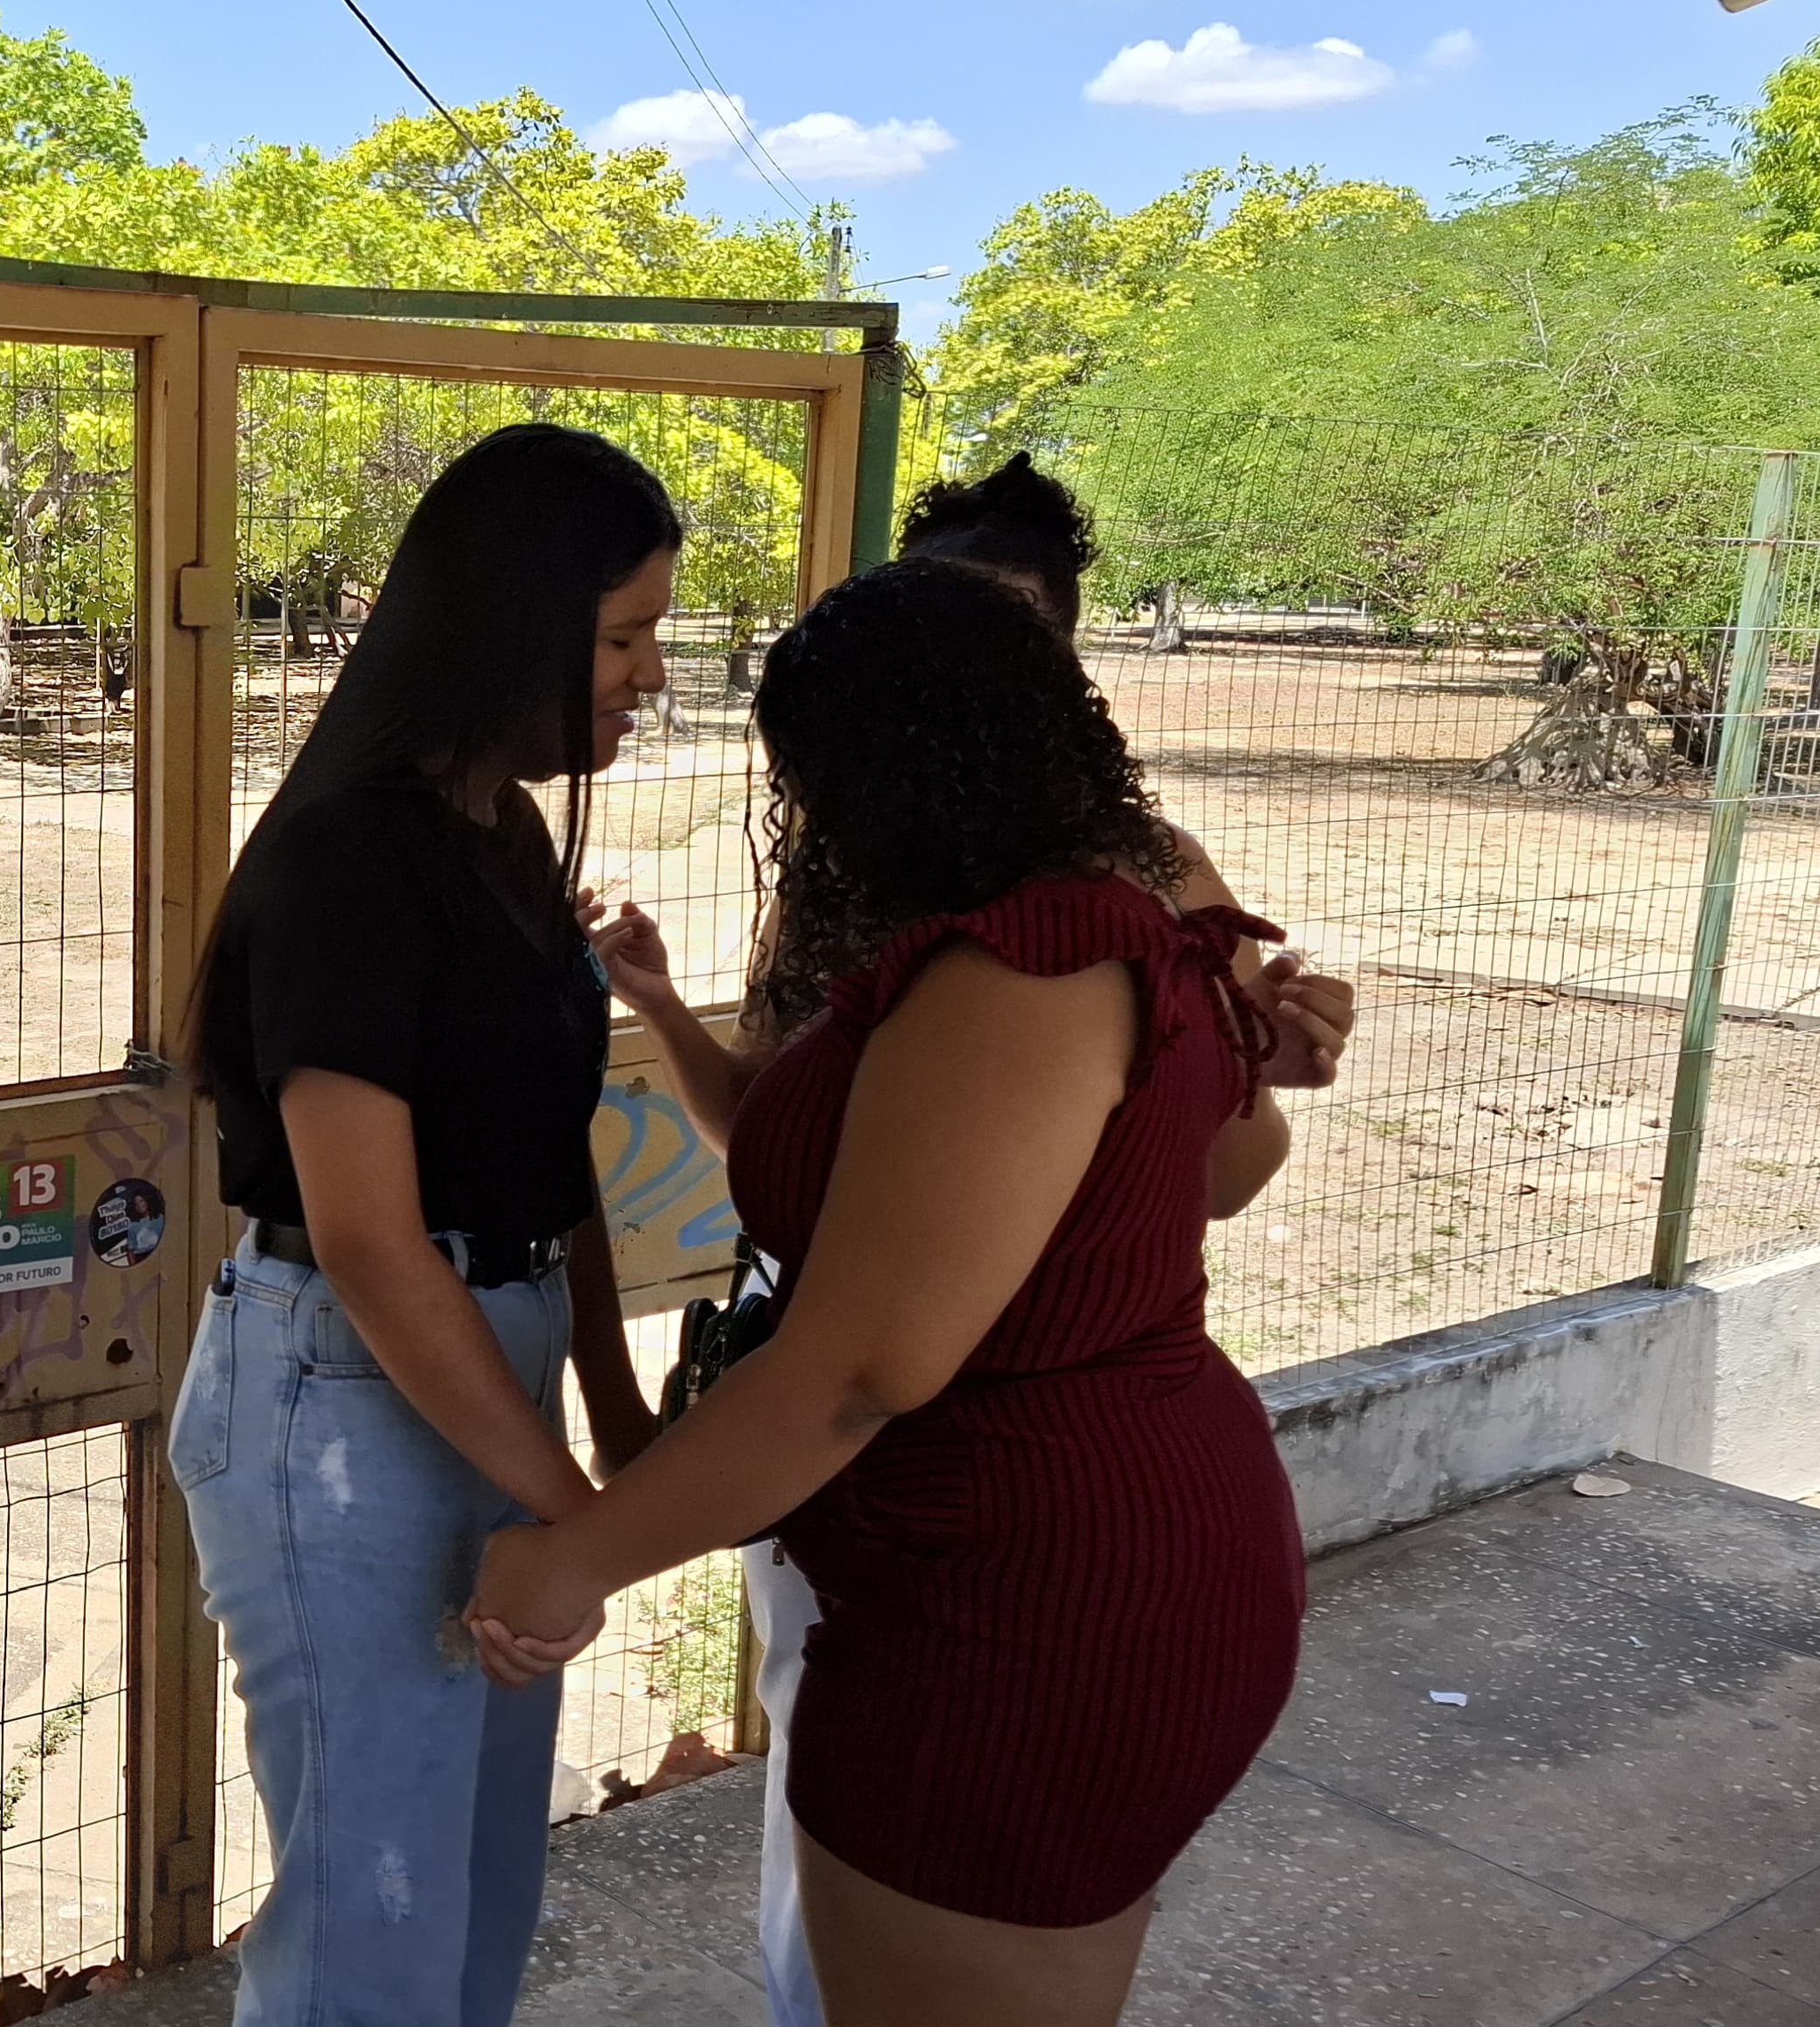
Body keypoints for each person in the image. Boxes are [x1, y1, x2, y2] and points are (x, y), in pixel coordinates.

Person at [470, 559, 1353, 2026]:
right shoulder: (1073, 933)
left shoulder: (1033, 963)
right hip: (1081, 1569)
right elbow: (859, 1173)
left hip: (1021, 1611)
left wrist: (584, 1560)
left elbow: (865, 1363)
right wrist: (663, 1016)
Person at [169, 422, 677, 2025]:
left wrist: (606, 1405)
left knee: (476, 1883)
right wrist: (574, 1519)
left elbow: (552, 1154)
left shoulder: (507, 835)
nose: (648, 675)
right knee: (368, 1913)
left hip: (489, 1362)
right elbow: (376, 1243)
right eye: (621, 634)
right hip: (345, 1392)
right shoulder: (344, 864)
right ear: (508, 621)